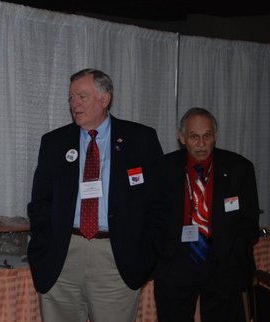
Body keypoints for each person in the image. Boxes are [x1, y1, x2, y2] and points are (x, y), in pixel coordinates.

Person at [27, 68, 168, 322]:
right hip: (63, 256)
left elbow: (159, 203)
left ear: (105, 99)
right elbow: (39, 204)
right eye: (71, 97)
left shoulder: (140, 139)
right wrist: (42, 250)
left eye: (82, 96)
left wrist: (146, 255)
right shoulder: (54, 142)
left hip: (116, 257)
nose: (74, 104)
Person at [154, 107, 260, 322]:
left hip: (222, 264)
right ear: (181, 138)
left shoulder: (240, 168)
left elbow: (249, 222)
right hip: (176, 263)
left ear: (215, 136)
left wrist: (232, 254)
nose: (201, 144)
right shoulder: (163, 168)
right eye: (194, 137)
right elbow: (153, 217)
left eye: (207, 136)